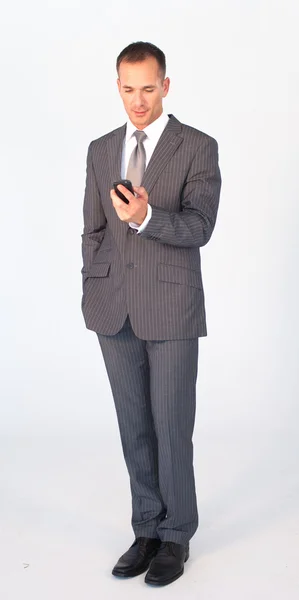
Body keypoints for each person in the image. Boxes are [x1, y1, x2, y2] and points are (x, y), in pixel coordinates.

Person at [81, 41, 221, 587]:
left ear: (166, 85)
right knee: (133, 426)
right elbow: (92, 227)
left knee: (170, 426)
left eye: (147, 87)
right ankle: (145, 526)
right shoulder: (99, 149)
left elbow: (200, 228)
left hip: (171, 306)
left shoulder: (197, 147)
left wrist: (146, 217)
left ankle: (177, 533)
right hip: (113, 307)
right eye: (127, 88)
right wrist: (94, 285)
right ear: (118, 86)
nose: (137, 101)